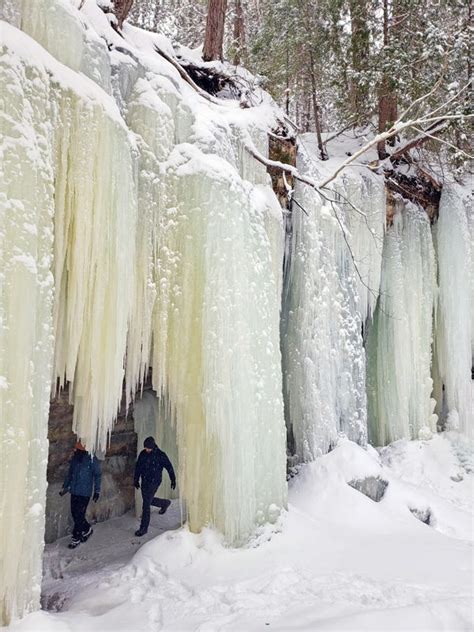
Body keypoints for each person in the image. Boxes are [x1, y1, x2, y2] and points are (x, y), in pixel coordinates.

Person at [59, 441, 101, 549]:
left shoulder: (91, 460)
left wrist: (97, 491)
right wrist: (65, 486)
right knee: (75, 514)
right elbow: (70, 474)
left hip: (85, 492)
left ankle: (76, 538)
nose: (74, 450)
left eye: (76, 449)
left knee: (79, 514)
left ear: (82, 451)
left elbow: (97, 475)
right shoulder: (75, 460)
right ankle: (87, 529)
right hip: (75, 490)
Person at [134, 436, 176, 537]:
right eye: (145, 448)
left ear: (152, 447)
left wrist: (173, 479)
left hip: (155, 481)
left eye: (148, 448)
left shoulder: (160, 455)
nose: (146, 449)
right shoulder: (143, 454)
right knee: (148, 500)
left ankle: (143, 528)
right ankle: (164, 503)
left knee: (146, 504)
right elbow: (138, 467)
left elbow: (169, 466)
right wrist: (136, 479)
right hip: (145, 481)